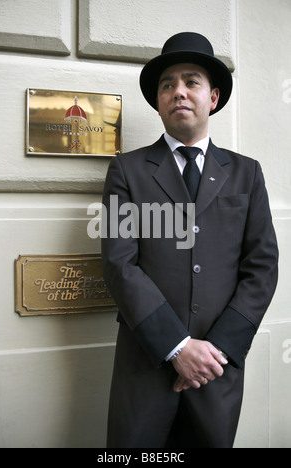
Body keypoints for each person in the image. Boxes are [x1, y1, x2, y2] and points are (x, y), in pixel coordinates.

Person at [101, 32, 279, 448]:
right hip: (146, 364)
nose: (178, 91)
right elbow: (119, 264)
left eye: (191, 81)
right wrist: (177, 347)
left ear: (212, 97)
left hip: (217, 369)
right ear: (159, 101)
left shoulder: (246, 173)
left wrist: (212, 352)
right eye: (168, 85)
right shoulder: (127, 171)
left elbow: (262, 267)